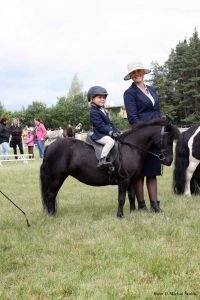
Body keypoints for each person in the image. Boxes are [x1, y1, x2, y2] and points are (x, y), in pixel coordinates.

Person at [123, 61, 161, 212]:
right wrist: (147, 131)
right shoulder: (129, 93)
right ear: (131, 76)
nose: (137, 74)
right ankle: (142, 205)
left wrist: (160, 125)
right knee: (140, 173)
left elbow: (156, 110)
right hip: (140, 137)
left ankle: (155, 205)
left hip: (156, 134)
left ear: (143, 73)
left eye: (139, 71)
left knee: (152, 171)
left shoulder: (151, 89)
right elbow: (133, 118)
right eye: (134, 72)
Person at [87, 86, 120, 168]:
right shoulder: (93, 112)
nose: (103, 99)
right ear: (92, 98)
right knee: (110, 142)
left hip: (105, 134)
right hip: (99, 135)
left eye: (104, 97)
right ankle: (102, 159)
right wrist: (111, 132)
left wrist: (116, 131)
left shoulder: (103, 110)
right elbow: (100, 126)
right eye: (100, 97)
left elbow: (110, 123)